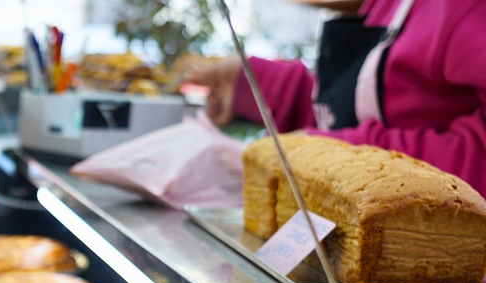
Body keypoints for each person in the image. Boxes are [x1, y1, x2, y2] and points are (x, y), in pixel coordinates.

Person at [190, 0, 486, 197]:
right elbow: (356, 112)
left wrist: (330, 150)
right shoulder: (379, 7)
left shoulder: (465, 10)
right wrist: (257, 85)